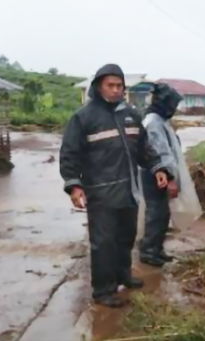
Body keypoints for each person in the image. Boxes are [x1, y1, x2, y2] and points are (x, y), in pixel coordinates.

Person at [60, 64, 169, 308]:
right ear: (99, 87)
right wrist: (74, 186)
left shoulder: (130, 115)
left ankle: (123, 275)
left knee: (126, 238)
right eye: (111, 85)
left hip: (129, 190)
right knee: (103, 243)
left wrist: (158, 168)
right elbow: (69, 154)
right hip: (101, 193)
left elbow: (144, 148)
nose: (116, 90)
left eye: (119, 86)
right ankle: (103, 290)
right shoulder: (84, 117)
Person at [139, 83, 183, 267]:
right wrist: (170, 178)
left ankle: (157, 249)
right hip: (155, 174)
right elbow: (161, 152)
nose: (174, 109)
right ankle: (149, 251)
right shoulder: (153, 123)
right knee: (156, 212)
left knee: (163, 213)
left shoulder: (158, 120)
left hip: (160, 173)